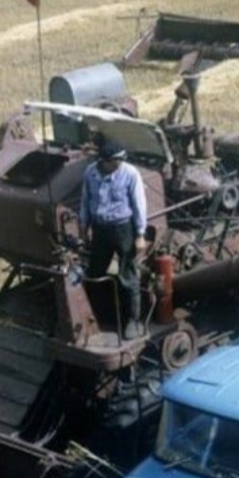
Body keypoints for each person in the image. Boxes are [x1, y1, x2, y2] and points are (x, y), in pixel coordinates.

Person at [78, 138, 148, 338]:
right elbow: (85, 200)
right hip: (100, 230)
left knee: (128, 276)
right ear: (104, 160)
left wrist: (140, 235)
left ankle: (133, 321)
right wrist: (83, 226)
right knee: (95, 272)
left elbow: (139, 205)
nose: (119, 163)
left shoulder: (130, 174)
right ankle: (100, 316)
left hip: (123, 229)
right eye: (116, 160)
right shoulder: (91, 173)